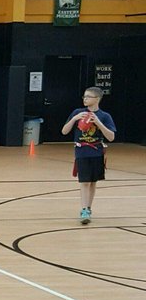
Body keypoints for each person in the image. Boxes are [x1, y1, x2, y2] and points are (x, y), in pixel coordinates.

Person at [61, 87, 116, 225]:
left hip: (97, 152)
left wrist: (98, 123)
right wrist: (73, 119)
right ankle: (84, 209)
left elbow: (111, 137)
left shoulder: (104, 116)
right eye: (84, 96)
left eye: (88, 97)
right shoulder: (78, 112)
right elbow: (64, 131)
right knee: (84, 181)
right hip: (82, 152)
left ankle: (89, 207)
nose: (85, 99)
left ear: (97, 99)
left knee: (92, 182)